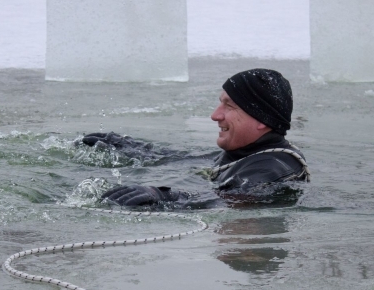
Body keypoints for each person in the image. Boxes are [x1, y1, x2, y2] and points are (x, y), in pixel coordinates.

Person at [81, 68, 310, 207]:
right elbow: (193, 160)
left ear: (261, 119)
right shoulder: (247, 154)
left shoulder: (272, 169)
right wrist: (134, 148)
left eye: (229, 106)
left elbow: (230, 200)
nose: (215, 115)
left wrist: (163, 196)